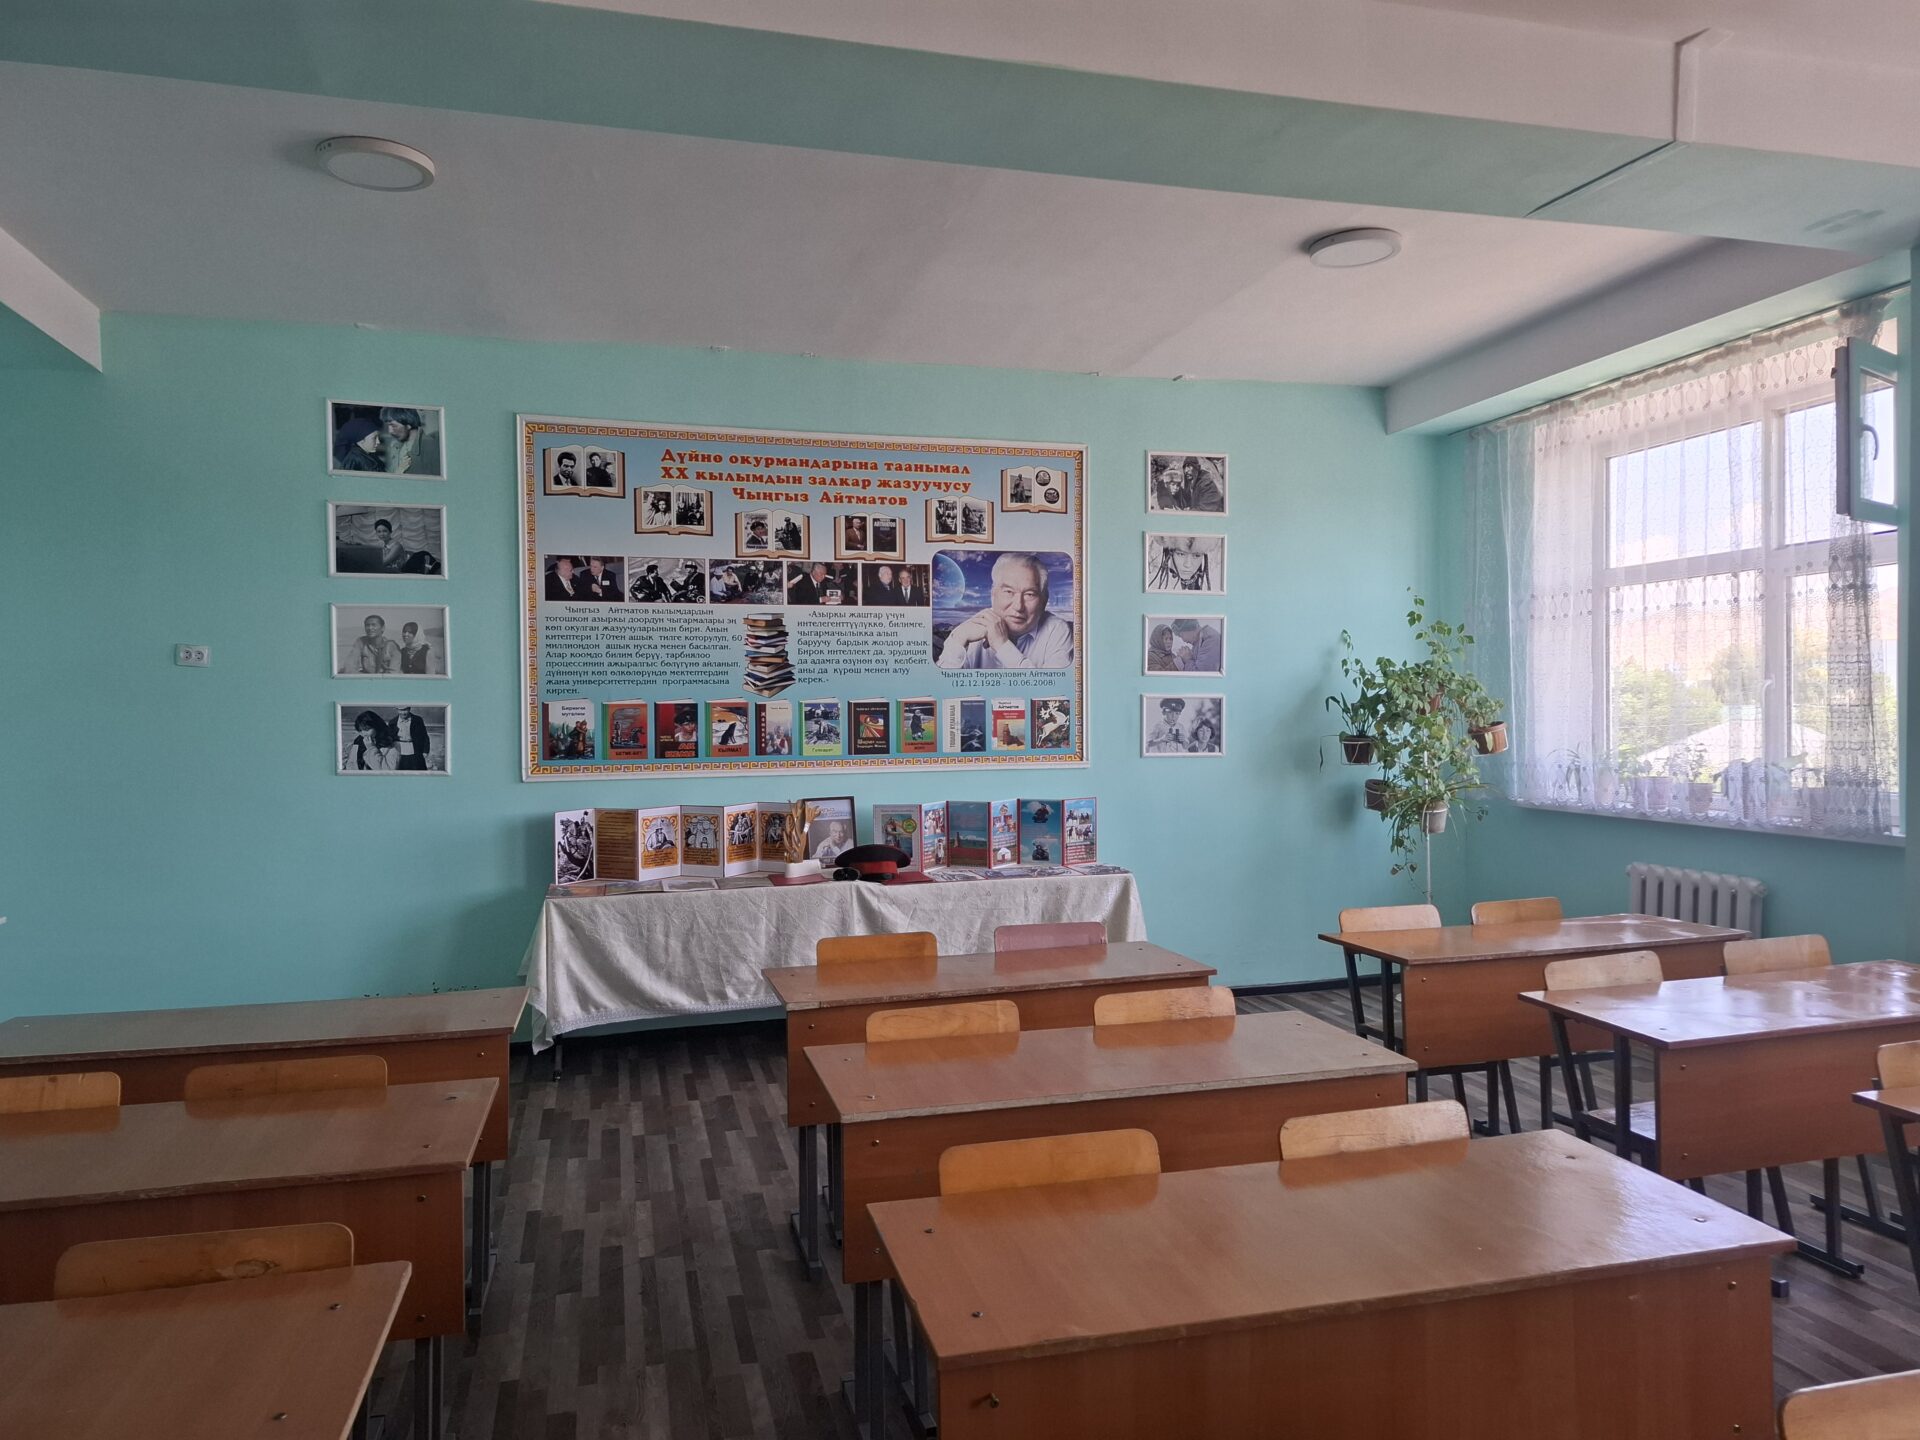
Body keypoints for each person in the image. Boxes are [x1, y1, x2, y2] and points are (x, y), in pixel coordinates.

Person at [936, 552, 1074, 669]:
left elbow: (1052, 688)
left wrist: (1002, 645)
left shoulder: (1057, 630)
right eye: (1008, 592)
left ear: (1044, 601)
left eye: (1029, 594)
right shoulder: (969, 631)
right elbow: (940, 686)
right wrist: (958, 640)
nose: (1018, 606)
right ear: (993, 595)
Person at [392, 704, 431, 770]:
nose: (403, 713)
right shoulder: (392, 722)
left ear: (409, 709)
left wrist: (425, 751)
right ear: (397, 710)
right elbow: (390, 738)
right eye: (401, 710)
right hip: (399, 751)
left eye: (405, 710)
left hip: (415, 751)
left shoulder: (417, 720)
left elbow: (424, 736)